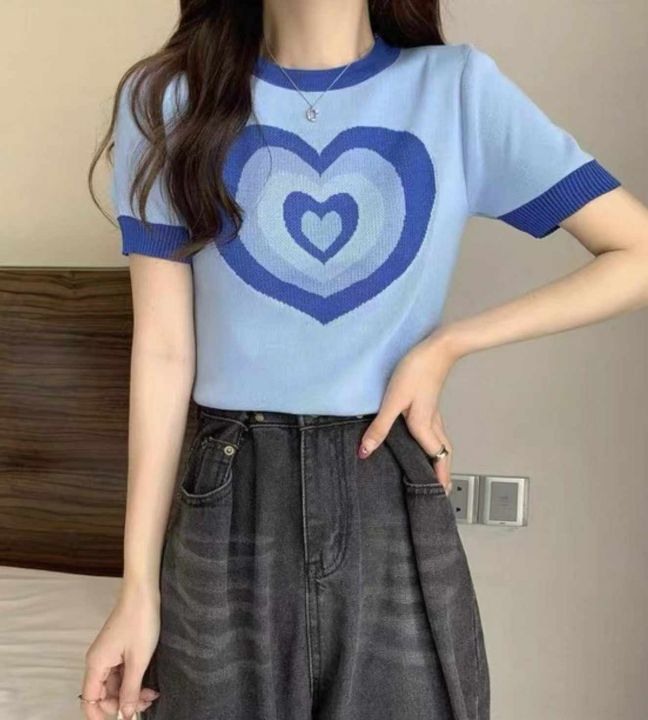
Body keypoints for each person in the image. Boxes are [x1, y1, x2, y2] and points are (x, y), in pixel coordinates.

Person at [82, 1, 647, 718]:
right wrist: (137, 588)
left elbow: (637, 251)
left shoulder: (455, 90)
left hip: (386, 479)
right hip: (227, 491)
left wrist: (448, 345)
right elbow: (164, 352)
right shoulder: (170, 99)